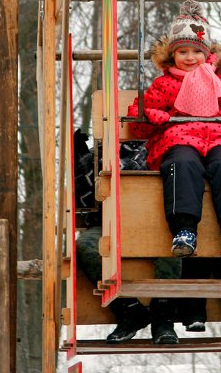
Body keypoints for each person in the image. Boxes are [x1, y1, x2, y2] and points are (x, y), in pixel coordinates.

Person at [128, 0, 221, 260]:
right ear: (173, 55)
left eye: (196, 52)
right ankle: (184, 229)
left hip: (220, 138)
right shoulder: (165, 84)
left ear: (207, 53)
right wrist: (149, 115)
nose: (190, 58)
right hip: (180, 139)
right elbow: (137, 120)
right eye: (183, 52)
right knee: (182, 163)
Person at [74, 129, 179, 345]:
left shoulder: (151, 148)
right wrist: (78, 156)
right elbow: (82, 197)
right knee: (85, 246)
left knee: (172, 245)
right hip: (106, 223)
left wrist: (112, 167)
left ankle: (163, 318)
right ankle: (129, 311)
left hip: (148, 221)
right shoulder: (93, 157)